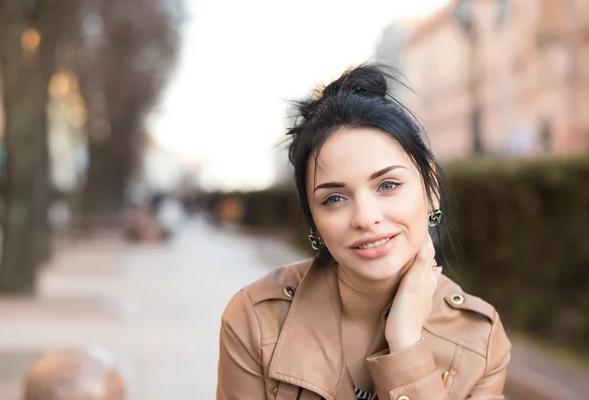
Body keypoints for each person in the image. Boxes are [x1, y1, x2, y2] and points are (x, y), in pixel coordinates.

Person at [216, 64, 510, 400]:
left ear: (430, 189)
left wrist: (405, 346)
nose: (365, 218)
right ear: (314, 220)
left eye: (387, 185)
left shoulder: (479, 340)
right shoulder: (255, 320)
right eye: (334, 198)